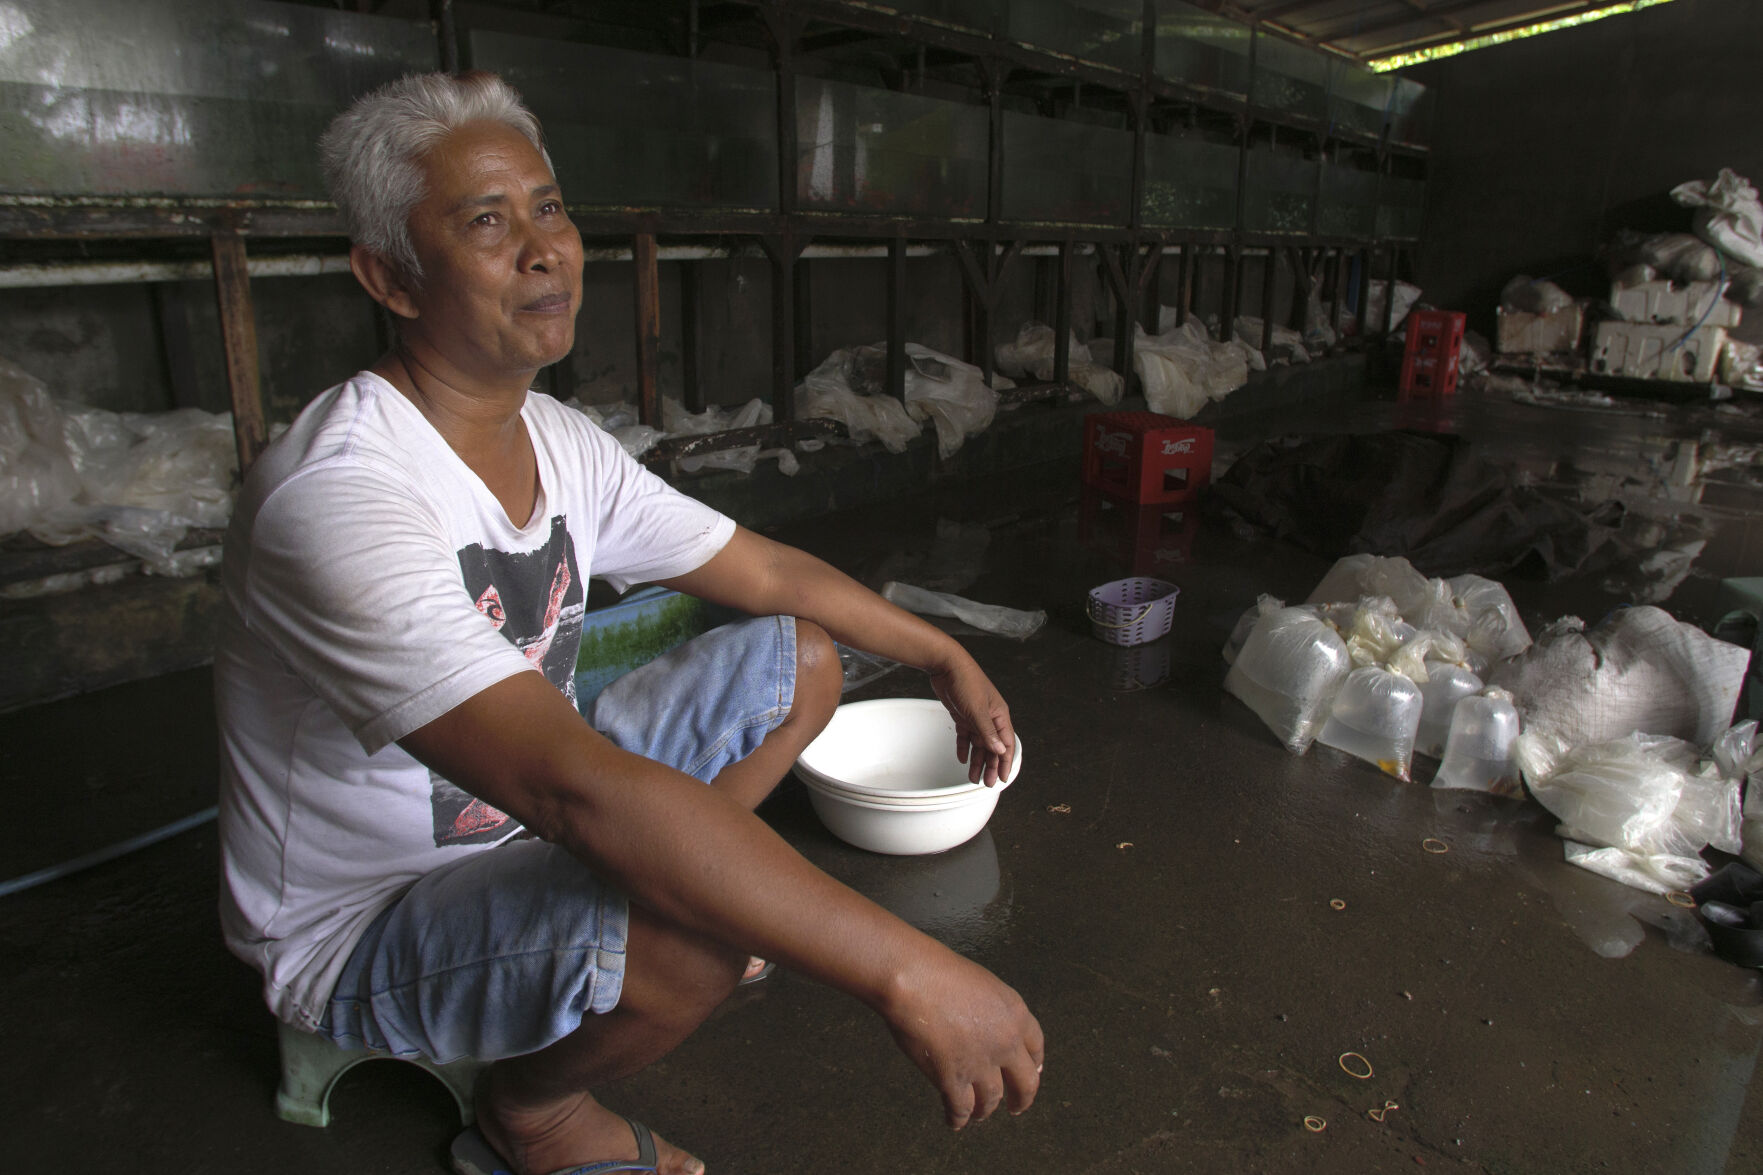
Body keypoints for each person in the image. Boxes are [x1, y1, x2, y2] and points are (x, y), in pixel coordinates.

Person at [215, 70, 1042, 1175]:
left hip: (534, 808)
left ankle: (647, 931)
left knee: (798, 660)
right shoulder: (341, 495)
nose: (542, 248)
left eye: (548, 208)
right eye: (485, 221)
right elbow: (574, 787)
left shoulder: (555, 435)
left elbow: (757, 565)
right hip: (373, 914)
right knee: (698, 925)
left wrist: (940, 648)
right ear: (391, 277)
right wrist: (903, 966)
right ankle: (533, 1112)